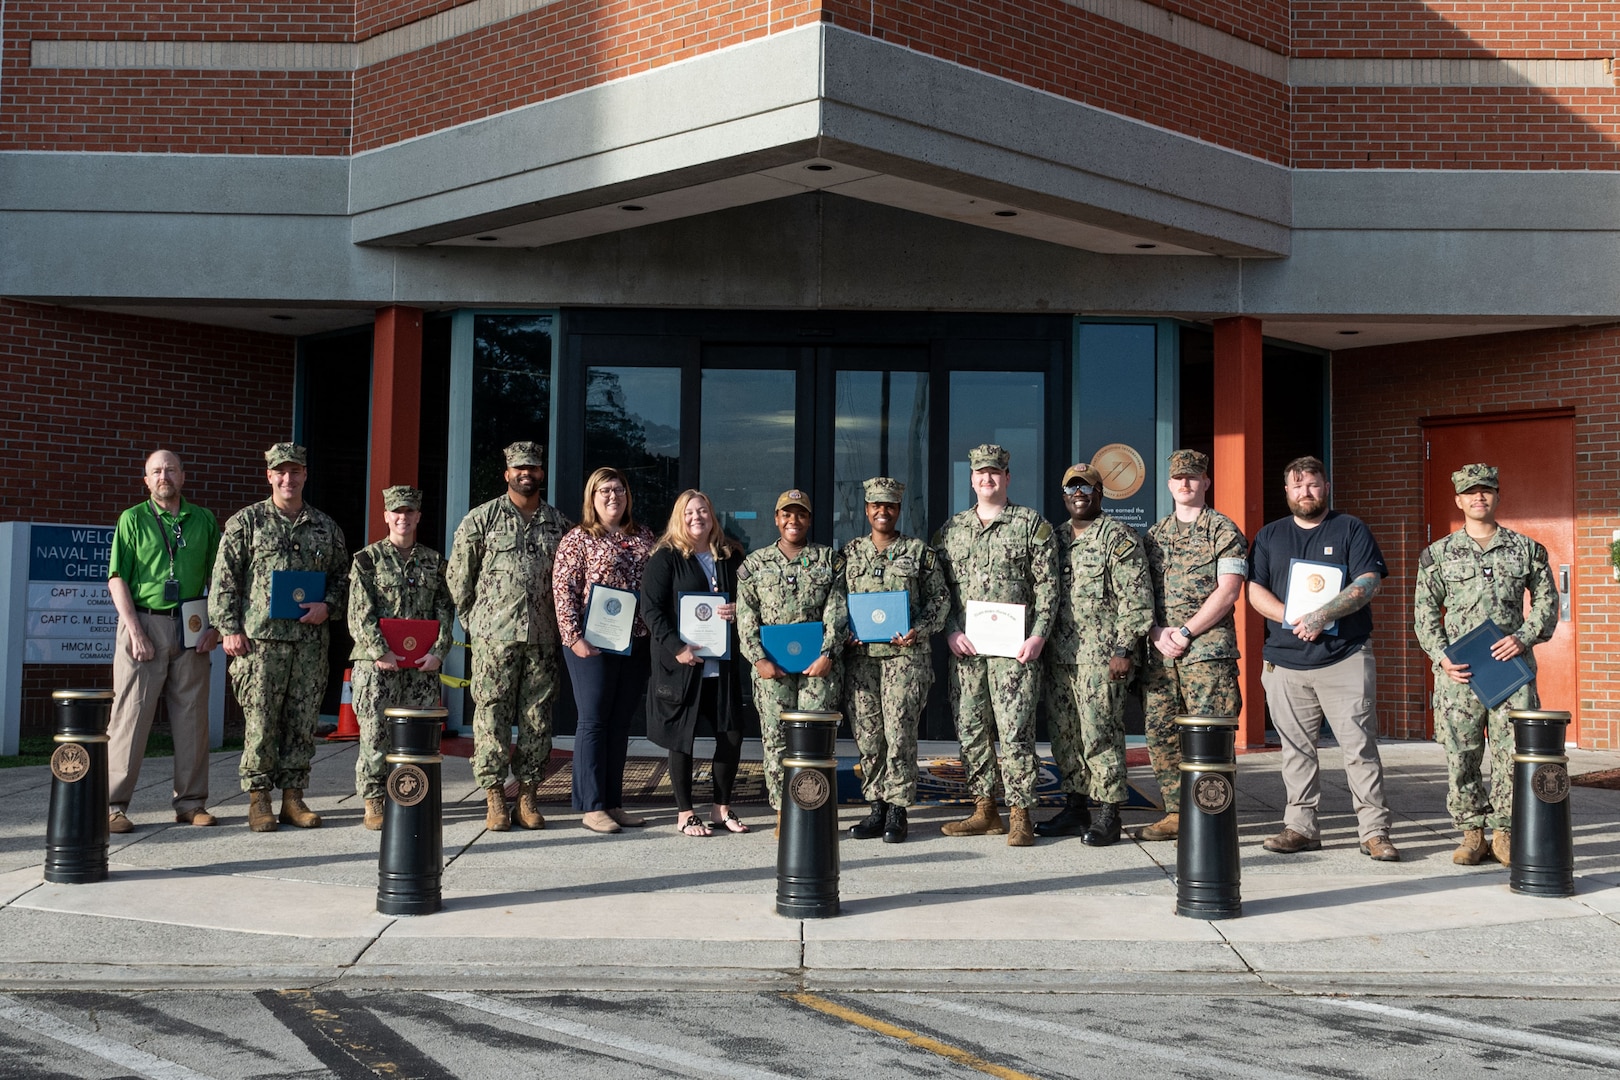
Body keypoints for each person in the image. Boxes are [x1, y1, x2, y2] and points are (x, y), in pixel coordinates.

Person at [1246, 457, 1398, 861]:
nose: (1305, 493)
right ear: (1287, 492)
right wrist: (1291, 617)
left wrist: (1323, 614)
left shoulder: (1351, 529)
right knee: (1295, 750)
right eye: (1297, 487)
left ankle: (1374, 832)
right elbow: (1254, 592)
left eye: (1312, 485)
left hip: (1344, 657)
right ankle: (1301, 827)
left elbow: (1368, 583)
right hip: (1286, 661)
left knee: (1359, 748)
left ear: (1325, 486)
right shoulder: (1269, 535)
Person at [1414, 463, 1558, 867]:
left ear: (1497, 496)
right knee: (1461, 753)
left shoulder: (1526, 549)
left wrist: (1524, 637)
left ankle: (1506, 832)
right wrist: (1441, 657)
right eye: (1470, 492)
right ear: (1458, 500)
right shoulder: (1438, 554)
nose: (1479, 497)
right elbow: (1424, 611)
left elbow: (1547, 603)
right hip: (1460, 675)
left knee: (1512, 754)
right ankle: (1471, 831)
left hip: (1510, 672)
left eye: (1487, 490)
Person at [210, 442, 350, 832]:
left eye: (296, 471)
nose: (289, 478)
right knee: (260, 723)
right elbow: (224, 580)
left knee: (302, 722)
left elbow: (344, 578)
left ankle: (293, 798)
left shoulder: (326, 527)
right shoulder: (247, 523)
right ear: (269, 475)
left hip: (308, 644)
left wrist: (329, 606)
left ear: (306, 475)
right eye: (281, 472)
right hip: (260, 645)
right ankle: (258, 800)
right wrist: (229, 628)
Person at [933, 443, 1059, 847]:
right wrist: (951, 630)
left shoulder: (1030, 525)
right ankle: (985, 809)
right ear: (971, 479)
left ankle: (1021, 812)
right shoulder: (950, 531)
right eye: (980, 473)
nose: (987, 479)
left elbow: (1049, 587)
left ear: (1007, 478)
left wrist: (1038, 635)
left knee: (1015, 731)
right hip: (968, 652)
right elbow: (940, 592)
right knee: (971, 729)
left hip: (1015, 652)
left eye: (994, 473)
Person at [446, 440, 571, 833]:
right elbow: (458, 580)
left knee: (537, 717)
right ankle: (495, 795)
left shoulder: (560, 525)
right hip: (494, 639)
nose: (526, 474)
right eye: (519, 468)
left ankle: (529, 794)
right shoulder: (480, 520)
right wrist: (477, 624)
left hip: (543, 638)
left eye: (532, 468)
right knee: (491, 716)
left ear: (541, 474)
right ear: (507, 473)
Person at [105, 449, 222, 832]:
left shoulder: (203, 520)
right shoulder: (133, 519)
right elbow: (117, 577)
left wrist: (216, 627)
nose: (163, 476)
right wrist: (134, 630)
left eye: (170, 469)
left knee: (192, 719)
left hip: (191, 626)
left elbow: (220, 582)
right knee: (130, 717)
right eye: (156, 471)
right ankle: (112, 805)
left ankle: (191, 802)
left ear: (183, 477)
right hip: (144, 624)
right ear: (146, 480)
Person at [1037, 462, 1153, 846]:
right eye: (1072, 489)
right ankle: (1075, 808)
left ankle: (1109, 812)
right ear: (1064, 495)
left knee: (1100, 735)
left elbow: (1136, 598)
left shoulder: (1117, 537)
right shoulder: (1053, 538)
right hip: (1059, 658)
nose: (1079, 494)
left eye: (1086, 488)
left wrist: (1124, 649)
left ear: (1100, 494)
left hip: (1101, 658)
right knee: (1064, 735)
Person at [1138, 449, 1247, 842]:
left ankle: (1214, 815)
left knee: (1210, 735)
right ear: (1169, 485)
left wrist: (1185, 632)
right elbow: (1139, 592)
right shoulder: (1154, 536)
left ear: (1206, 483)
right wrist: (1155, 633)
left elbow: (1229, 590)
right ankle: (1175, 812)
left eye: (1193, 477)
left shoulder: (1223, 530)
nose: (1185, 484)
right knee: (1162, 732)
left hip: (1206, 652)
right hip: (1160, 653)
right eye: (1178, 478)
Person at [841, 476, 950, 844]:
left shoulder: (918, 553)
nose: (882, 511)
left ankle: (898, 810)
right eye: (876, 505)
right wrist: (845, 632)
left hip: (905, 658)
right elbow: (835, 603)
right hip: (862, 660)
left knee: (900, 735)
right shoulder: (850, 553)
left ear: (898, 510)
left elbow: (940, 600)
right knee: (870, 737)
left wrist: (918, 629)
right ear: (867, 509)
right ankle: (876, 805)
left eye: (889, 505)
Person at [552, 467, 656, 835]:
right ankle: (591, 805)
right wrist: (573, 636)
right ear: (592, 498)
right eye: (604, 491)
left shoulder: (643, 536)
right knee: (593, 720)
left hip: (635, 642)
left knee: (620, 723)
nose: (613, 496)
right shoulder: (578, 539)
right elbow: (564, 590)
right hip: (591, 644)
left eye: (619, 490)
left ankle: (613, 802)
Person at [640, 489, 748, 836]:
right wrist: (676, 647)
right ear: (679, 518)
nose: (696, 517)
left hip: (723, 665)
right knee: (681, 739)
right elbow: (651, 610)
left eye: (702, 511)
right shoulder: (666, 557)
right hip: (684, 665)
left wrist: (738, 610)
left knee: (730, 736)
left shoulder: (730, 556)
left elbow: (749, 600)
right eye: (688, 513)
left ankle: (721, 808)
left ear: (712, 515)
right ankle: (685, 812)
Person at [736, 488, 849, 818]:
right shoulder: (755, 565)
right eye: (786, 513)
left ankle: (814, 810)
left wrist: (828, 653)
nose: (793, 520)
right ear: (776, 519)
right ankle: (784, 813)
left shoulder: (830, 560)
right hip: (773, 671)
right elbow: (746, 618)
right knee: (776, 741)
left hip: (819, 669)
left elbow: (837, 610)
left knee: (816, 741)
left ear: (809, 519)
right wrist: (759, 659)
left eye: (800, 514)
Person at [347, 485, 453, 830]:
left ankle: (412, 796)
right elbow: (359, 613)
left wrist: (439, 651)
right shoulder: (366, 560)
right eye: (397, 512)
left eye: (409, 512)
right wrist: (381, 651)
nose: (403, 518)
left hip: (421, 669)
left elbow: (445, 609)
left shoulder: (435, 562)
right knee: (376, 735)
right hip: (378, 666)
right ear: (386, 516)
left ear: (418, 516)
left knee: (418, 737)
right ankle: (374, 800)